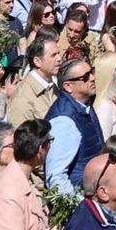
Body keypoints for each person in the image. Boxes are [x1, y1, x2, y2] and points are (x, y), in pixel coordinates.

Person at [43, 57, 104, 197]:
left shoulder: (84, 105)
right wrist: (81, 208)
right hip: (81, 203)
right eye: (85, 77)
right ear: (68, 86)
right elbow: (56, 177)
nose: (93, 78)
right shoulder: (64, 120)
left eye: (92, 72)